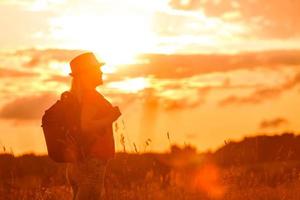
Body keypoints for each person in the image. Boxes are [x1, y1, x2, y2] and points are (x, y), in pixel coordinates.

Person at [65, 52, 121, 200]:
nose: (101, 72)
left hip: (77, 164)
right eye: (96, 69)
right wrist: (111, 118)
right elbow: (86, 125)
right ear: (87, 74)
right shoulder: (91, 97)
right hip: (92, 163)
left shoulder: (78, 97)